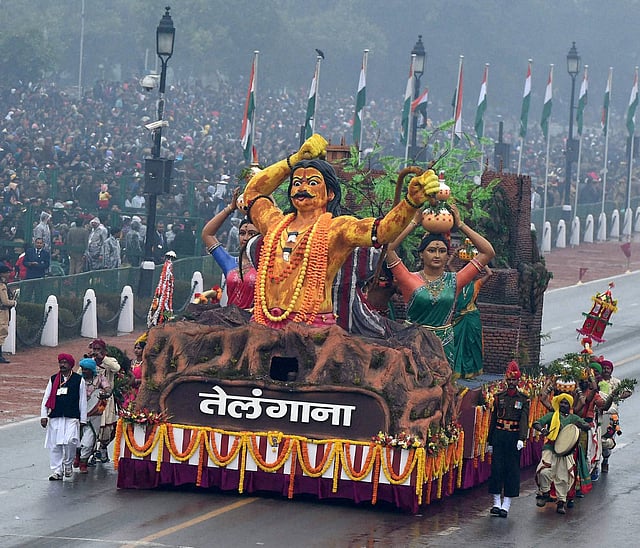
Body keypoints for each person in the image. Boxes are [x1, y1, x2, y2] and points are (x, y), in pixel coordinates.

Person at [243, 133, 440, 328]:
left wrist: (411, 202)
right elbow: (252, 193)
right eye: (296, 183)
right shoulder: (275, 223)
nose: (302, 188)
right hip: (263, 325)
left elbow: (382, 232)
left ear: (330, 193)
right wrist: (295, 160)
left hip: (312, 329)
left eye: (313, 182)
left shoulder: (337, 228)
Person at [385, 207, 495, 370]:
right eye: (431, 250)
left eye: (442, 251)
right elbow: (388, 248)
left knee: (443, 384)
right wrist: (414, 222)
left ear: (447, 255)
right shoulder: (409, 279)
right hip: (413, 344)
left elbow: (488, 252)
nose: (437, 255)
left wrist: (460, 224)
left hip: (443, 347)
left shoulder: (455, 280)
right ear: (421, 254)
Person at [201, 188, 259, 309]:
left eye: (252, 234)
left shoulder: (267, 265)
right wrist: (230, 208)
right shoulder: (230, 262)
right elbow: (207, 234)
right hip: (230, 317)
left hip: (255, 319)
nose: (245, 238)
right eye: (242, 233)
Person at [533, 393, 591, 515]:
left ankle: (561, 503)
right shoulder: (552, 415)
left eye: (566, 403)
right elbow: (537, 423)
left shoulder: (573, 418)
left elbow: (587, 426)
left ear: (570, 406)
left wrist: (581, 425)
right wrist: (542, 429)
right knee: (544, 471)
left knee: (563, 478)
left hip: (566, 452)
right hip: (550, 448)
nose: (563, 405)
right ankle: (545, 493)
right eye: (561, 403)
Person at [487, 361, 530, 518]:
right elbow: (493, 419)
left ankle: (506, 504)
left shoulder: (523, 399)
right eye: (509, 380)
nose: (511, 383)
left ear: (518, 381)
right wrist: (490, 440)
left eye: (514, 380)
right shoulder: (499, 397)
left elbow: (524, 420)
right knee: (497, 468)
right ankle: (496, 502)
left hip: (513, 436)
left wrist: (522, 438)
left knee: (511, 469)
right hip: (499, 435)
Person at [40, 353, 87, 480]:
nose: (62, 365)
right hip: (56, 417)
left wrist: (83, 419)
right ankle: (57, 471)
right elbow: (46, 398)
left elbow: (82, 400)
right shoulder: (53, 379)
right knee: (55, 445)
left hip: (71, 417)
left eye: (65, 363)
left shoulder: (78, 380)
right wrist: (43, 416)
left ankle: (67, 464)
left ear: (71, 365)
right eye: (61, 362)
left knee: (71, 441)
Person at [452, 265, 492, 378]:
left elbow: (489, 274)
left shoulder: (476, 284)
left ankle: (471, 371)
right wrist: (454, 256)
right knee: (456, 341)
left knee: (472, 344)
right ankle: (457, 370)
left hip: (472, 318)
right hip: (460, 318)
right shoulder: (458, 282)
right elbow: (450, 265)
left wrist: (481, 263)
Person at [87, 338, 121, 462]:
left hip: (106, 400)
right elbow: (80, 374)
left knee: (108, 428)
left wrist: (103, 358)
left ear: (104, 350)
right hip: (92, 400)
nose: (96, 352)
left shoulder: (110, 361)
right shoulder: (89, 362)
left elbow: (116, 368)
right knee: (92, 426)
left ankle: (103, 447)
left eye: (98, 349)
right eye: (94, 349)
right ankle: (90, 453)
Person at [75, 357, 110, 473]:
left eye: (87, 369)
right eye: (83, 369)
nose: (84, 371)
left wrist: (106, 393)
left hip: (94, 414)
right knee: (75, 439)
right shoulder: (78, 379)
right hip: (78, 413)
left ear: (92, 370)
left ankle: (83, 462)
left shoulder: (100, 378)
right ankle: (77, 455)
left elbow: (108, 388)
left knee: (88, 441)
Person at [123, 333, 146, 408]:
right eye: (135, 348)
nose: (136, 350)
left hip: (140, 391)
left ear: (144, 350)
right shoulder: (131, 362)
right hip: (129, 390)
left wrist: (137, 381)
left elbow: (147, 378)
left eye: (139, 348)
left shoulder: (145, 364)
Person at [0, 264, 17, 363]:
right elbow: (5, 301)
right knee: (2, 332)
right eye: (6, 272)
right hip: (2, 311)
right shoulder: (2, 286)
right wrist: (14, 302)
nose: (8, 274)